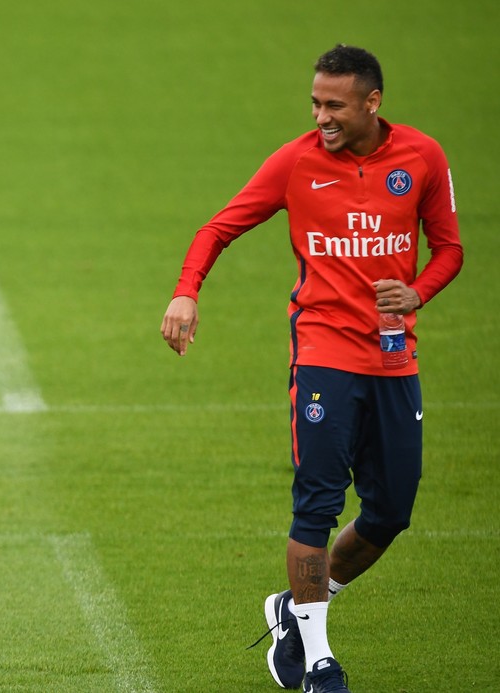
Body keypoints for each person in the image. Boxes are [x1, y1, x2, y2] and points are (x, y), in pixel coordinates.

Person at [160, 45, 462, 692]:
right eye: (315, 103)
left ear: (372, 103)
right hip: (323, 354)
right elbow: (218, 227)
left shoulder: (423, 158)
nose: (321, 116)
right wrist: (188, 290)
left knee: (389, 511)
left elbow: (450, 249)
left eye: (334, 105)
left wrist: (417, 293)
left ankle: (293, 609)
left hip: (393, 357)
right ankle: (320, 659)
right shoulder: (297, 162)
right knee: (318, 505)